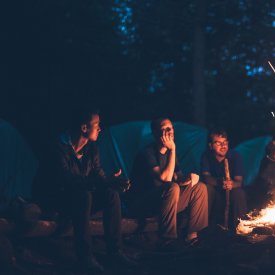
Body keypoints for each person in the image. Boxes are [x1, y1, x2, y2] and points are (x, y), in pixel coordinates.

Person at [32, 109, 133, 272]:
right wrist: (104, 182)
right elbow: (68, 181)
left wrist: (111, 183)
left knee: (111, 195)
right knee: (83, 195)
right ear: (84, 128)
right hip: (54, 200)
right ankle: (85, 257)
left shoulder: (91, 149)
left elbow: (98, 175)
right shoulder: (57, 149)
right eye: (97, 125)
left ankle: (115, 252)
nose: (100, 129)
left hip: (79, 199)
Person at [128, 118, 208, 246]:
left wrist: (189, 179)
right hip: (144, 203)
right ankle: (168, 239)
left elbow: (178, 178)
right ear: (155, 133)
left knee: (200, 188)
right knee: (172, 187)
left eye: (170, 128)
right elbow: (165, 178)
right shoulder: (147, 153)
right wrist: (173, 149)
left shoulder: (171, 155)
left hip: (166, 201)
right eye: (164, 129)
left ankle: (192, 236)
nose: (169, 132)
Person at [200, 129, 247, 229]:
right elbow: (206, 177)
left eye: (225, 142)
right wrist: (219, 182)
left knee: (239, 193)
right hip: (215, 190)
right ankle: (204, 228)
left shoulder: (235, 156)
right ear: (210, 145)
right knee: (206, 189)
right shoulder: (206, 156)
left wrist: (231, 184)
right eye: (218, 143)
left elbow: (239, 181)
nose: (223, 146)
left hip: (231, 191)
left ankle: (240, 229)